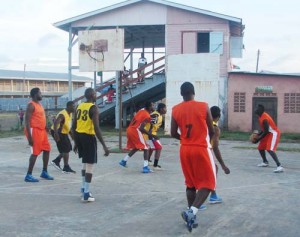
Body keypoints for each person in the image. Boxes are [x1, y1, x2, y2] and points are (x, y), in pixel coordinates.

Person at [170, 82, 216, 232]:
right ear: (193, 92)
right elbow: (212, 129)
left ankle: (191, 218)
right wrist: (208, 141)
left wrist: (184, 139)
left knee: (190, 184)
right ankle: (192, 212)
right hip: (200, 148)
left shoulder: (175, 109)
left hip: (185, 149)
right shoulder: (203, 106)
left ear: (181, 94)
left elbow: (172, 133)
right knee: (209, 183)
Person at [72, 88, 110, 202]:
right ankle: (86, 194)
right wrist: (104, 145)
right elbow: (96, 128)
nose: (96, 96)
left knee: (85, 163)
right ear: (92, 95)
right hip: (88, 137)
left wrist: (76, 142)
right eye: (95, 94)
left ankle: (83, 188)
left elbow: (73, 125)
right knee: (90, 165)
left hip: (79, 135)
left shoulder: (79, 106)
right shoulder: (93, 108)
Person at [24, 88, 54, 182]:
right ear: (35, 94)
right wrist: (29, 137)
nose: (41, 94)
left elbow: (40, 118)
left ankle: (44, 172)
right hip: (34, 131)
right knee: (35, 153)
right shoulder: (31, 105)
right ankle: (28, 175)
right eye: (40, 93)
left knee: (47, 149)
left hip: (42, 131)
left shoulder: (39, 105)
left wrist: (45, 127)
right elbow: (27, 122)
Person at [119, 101, 155, 173]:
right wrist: (151, 134)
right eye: (152, 105)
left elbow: (140, 115)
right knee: (146, 148)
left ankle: (124, 161)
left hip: (129, 129)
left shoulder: (141, 110)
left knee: (136, 147)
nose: (153, 107)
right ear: (149, 107)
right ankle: (145, 167)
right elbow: (141, 128)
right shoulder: (147, 116)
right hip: (136, 130)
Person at [208, 106, 230, 204]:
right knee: (214, 169)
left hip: (190, 149)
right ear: (218, 117)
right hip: (205, 151)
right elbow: (215, 147)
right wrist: (223, 165)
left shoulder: (202, 123)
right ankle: (213, 195)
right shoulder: (215, 128)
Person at [254, 104, 283, 173]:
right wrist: (258, 134)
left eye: (257, 108)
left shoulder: (264, 118)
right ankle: (265, 162)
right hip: (269, 133)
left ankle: (279, 166)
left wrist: (258, 139)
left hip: (274, 133)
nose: (255, 109)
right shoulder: (260, 116)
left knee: (270, 149)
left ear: (261, 110)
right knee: (261, 147)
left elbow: (266, 131)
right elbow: (264, 129)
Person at [50, 101, 76, 173]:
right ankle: (66, 167)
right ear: (69, 106)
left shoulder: (70, 114)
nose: (74, 107)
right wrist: (56, 134)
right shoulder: (62, 114)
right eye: (73, 106)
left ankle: (56, 161)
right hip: (58, 132)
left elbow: (68, 127)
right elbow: (56, 123)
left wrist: (73, 137)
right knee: (66, 149)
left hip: (63, 132)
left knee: (68, 148)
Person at [143, 103, 167, 170]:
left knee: (152, 148)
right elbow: (150, 126)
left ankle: (148, 161)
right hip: (149, 134)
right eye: (165, 108)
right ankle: (155, 165)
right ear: (161, 109)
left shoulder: (159, 115)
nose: (166, 110)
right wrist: (151, 136)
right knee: (159, 147)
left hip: (152, 134)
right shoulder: (155, 115)